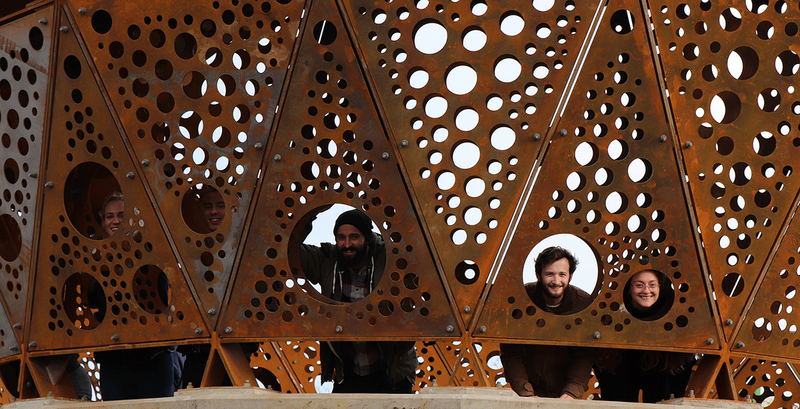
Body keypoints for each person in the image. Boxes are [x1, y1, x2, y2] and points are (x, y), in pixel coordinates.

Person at [299, 208, 417, 393]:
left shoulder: (391, 258)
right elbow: (286, 251)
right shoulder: (326, 260)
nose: (347, 244)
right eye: (341, 237)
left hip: (391, 369)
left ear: (367, 239)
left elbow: (420, 253)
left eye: (354, 237)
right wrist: (308, 213)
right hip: (348, 370)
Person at [91, 193, 181, 400]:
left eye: (121, 215)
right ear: (103, 222)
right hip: (113, 359)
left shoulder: (153, 250)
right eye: (109, 216)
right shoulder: (96, 259)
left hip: (152, 357)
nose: (114, 221)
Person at [500, 246, 595, 399]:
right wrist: (525, 393)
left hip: (566, 392)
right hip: (528, 390)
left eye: (562, 274)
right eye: (549, 274)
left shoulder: (582, 304)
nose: (556, 281)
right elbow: (511, 352)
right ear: (538, 275)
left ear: (570, 276)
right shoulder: (522, 299)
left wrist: (572, 392)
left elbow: (584, 355)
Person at [594, 270, 695, 402]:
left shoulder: (672, 312)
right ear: (629, 289)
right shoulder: (613, 312)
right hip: (622, 369)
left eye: (652, 285)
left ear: (660, 288)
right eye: (639, 285)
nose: (646, 291)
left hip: (662, 368)